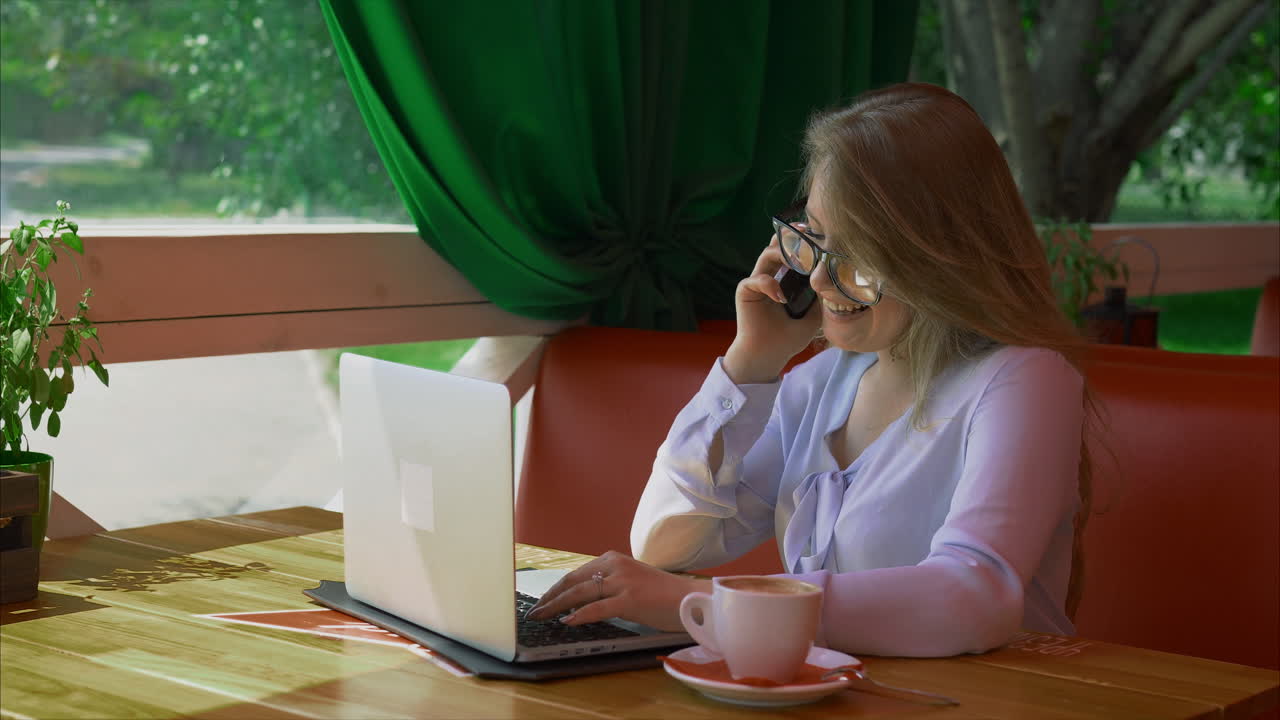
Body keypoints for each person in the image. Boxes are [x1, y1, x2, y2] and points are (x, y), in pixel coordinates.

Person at [525, 82, 1095, 658]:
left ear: (937, 258)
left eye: (861, 258)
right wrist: (750, 365)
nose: (819, 280)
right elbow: (665, 546)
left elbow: (973, 596)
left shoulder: (1025, 381)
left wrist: (702, 605)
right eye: (814, 241)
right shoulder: (824, 382)